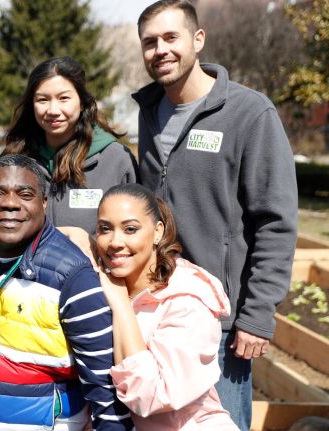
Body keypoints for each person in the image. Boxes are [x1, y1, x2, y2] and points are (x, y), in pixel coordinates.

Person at [133, 1, 298, 428]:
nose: (160, 50)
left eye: (171, 37)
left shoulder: (249, 113)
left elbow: (275, 221)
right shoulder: (149, 111)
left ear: (198, 40)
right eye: (150, 42)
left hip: (221, 321)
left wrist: (257, 315)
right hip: (157, 307)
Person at [0, 154, 132, 430]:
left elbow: (104, 387)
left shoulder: (72, 276)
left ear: (44, 203)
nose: (9, 203)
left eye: (25, 194)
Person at [92, 183, 236, 429]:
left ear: (158, 232)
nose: (115, 241)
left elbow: (153, 396)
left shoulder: (188, 301)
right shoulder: (104, 283)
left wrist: (121, 306)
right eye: (105, 229)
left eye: (130, 229)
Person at [2, 56, 137, 234]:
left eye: (63, 98)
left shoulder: (116, 160)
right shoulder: (16, 159)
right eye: (42, 100)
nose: (53, 110)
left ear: (82, 103)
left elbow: (136, 230)